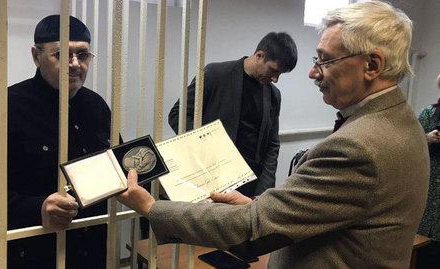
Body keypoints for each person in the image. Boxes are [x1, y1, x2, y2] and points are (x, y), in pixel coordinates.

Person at [117, 1, 429, 268]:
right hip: (212, 185)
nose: (313, 72)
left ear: (372, 65)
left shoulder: (358, 147)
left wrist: (150, 207)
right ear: (260, 55)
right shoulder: (404, 122)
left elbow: (255, 225)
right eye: (317, 59)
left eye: (325, 60)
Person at [0, 15, 113, 268]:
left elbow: (114, 166)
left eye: (83, 54)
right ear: (36, 56)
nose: (75, 64)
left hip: (92, 248)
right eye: (61, 54)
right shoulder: (0, 109)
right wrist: (38, 208)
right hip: (30, 252)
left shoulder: (96, 106)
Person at [168, 32, 297, 197]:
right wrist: (206, 149)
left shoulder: (274, 95)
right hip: (209, 179)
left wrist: (264, 189)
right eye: (273, 70)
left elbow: (272, 144)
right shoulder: (215, 74)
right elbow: (177, 115)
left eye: (280, 74)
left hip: (251, 186)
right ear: (259, 55)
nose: (275, 78)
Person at [416, 73, 440, 268]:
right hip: (426, 192)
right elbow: (409, 146)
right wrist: (426, 138)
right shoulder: (428, 113)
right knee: (421, 257)